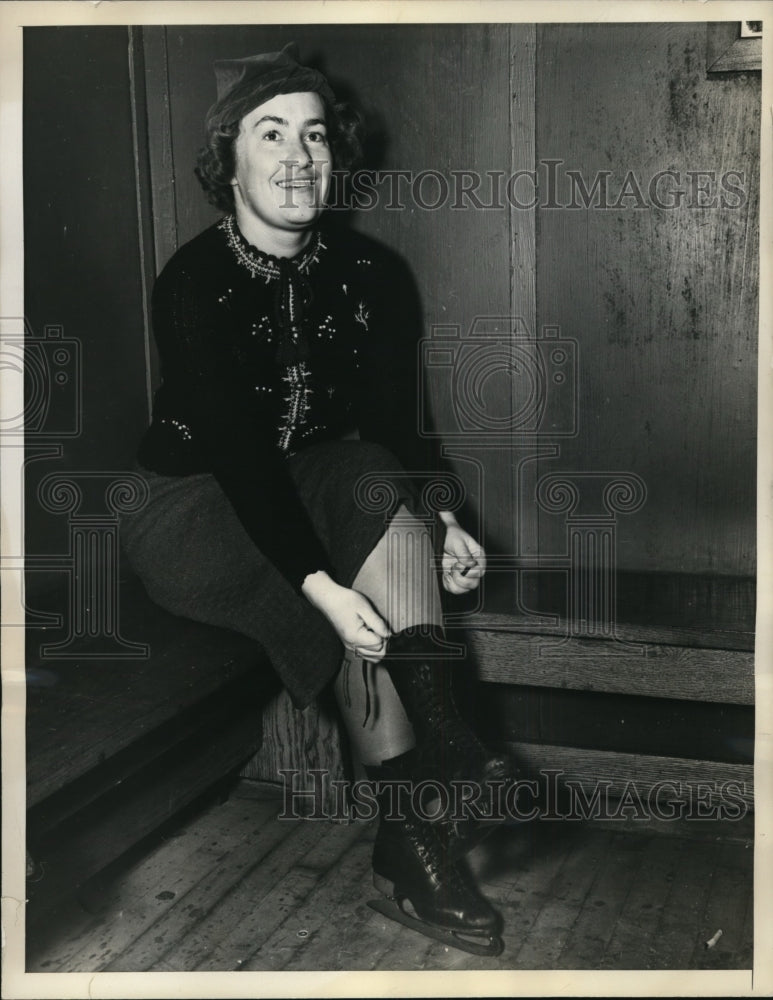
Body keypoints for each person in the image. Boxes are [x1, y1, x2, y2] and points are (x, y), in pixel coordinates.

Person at [121, 44, 508, 957]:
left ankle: (423, 795)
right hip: (190, 516)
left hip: (312, 500)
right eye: (270, 133)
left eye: (316, 135)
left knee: (368, 468)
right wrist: (324, 588)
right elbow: (245, 464)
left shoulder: (371, 278)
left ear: (336, 157)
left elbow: (398, 431)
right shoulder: (194, 281)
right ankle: (419, 814)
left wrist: (443, 515)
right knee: (350, 570)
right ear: (230, 158)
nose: (297, 157)